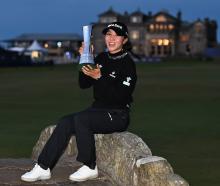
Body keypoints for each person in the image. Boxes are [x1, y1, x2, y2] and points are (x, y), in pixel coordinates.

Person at [21, 21, 137, 182]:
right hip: (98, 111)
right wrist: (85, 58)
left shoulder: (128, 64)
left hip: (117, 114)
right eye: (109, 34)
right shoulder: (102, 58)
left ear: (124, 40)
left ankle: (89, 166)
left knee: (81, 119)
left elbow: (120, 97)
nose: (111, 39)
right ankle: (43, 167)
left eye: (116, 35)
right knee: (66, 121)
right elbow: (84, 84)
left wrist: (99, 77)